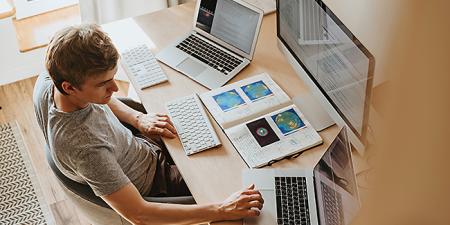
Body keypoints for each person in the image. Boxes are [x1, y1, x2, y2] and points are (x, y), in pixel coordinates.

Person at [33, 24, 263, 225]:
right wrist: (222, 210)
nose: (114, 89)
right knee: (244, 185)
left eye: (113, 78)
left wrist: (137, 119)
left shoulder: (50, 79)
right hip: (156, 182)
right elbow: (139, 215)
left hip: (138, 146)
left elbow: (103, 98)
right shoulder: (85, 148)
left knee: (218, 127)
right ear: (69, 87)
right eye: (104, 84)